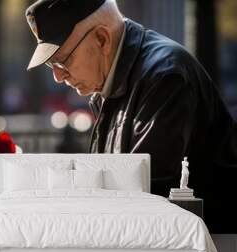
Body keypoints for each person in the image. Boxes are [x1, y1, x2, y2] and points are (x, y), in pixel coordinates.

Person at [25, 0, 237, 233]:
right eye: (51, 65)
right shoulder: (115, 79)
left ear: (102, 39)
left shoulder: (165, 76)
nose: (57, 76)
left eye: (62, 61)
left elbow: (144, 196)